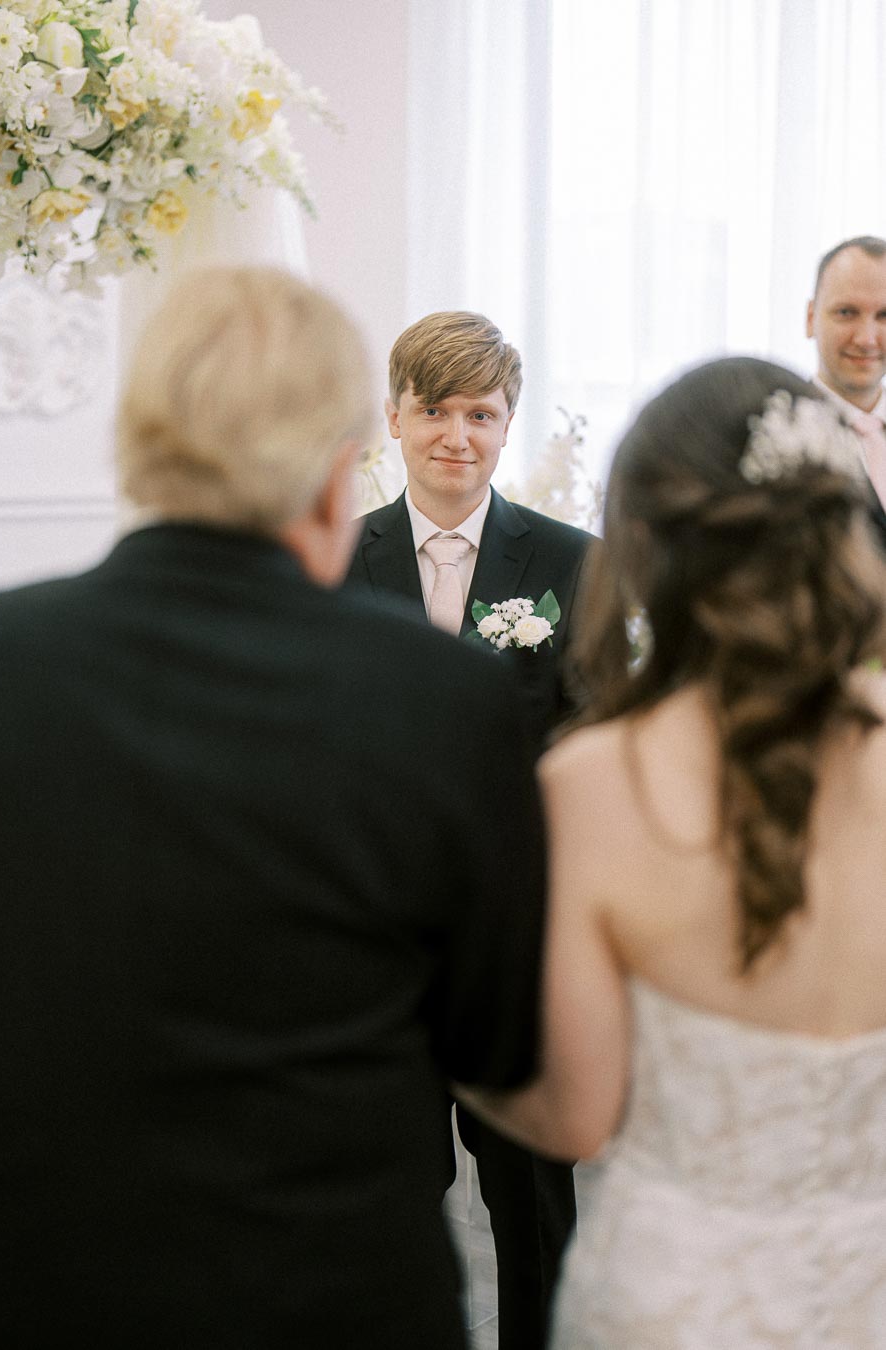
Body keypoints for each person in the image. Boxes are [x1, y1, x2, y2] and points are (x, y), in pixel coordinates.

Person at [0, 267, 550, 1349]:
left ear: (139, 438)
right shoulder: (440, 700)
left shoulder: (0, 664)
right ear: (344, 467)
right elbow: (500, 1048)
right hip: (335, 1288)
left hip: (45, 1281)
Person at [459, 356, 886, 1348]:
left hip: (671, 1302)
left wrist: (444, 1017)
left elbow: (575, 1120)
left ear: (642, 547)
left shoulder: (596, 784)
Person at [347, 310, 596, 1350]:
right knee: (384, 1189)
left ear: (507, 425)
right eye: (436, 410)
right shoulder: (337, 558)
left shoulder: (575, 563)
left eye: (481, 414)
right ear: (395, 417)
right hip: (381, 939)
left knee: (531, 1190)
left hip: (516, 935)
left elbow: (595, 737)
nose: (458, 434)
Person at [807, 234, 886, 534]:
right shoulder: (772, 435)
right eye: (846, 313)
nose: (866, 339)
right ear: (810, 318)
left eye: (885, 315)